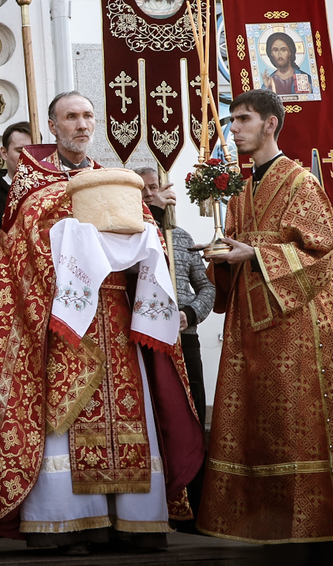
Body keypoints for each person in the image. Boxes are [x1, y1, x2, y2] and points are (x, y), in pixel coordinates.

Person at [0, 91, 202, 554]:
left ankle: (133, 520)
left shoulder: (115, 182)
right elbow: (17, 256)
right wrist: (69, 240)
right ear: (52, 126)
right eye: (71, 117)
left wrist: (146, 241)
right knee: (65, 420)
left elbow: (148, 240)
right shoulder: (32, 189)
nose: (81, 125)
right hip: (62, 323)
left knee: (129, 412)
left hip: (118, 318)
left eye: (87, 116)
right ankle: (68, 522)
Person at [199, 90, 333, 556]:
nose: (233, 128)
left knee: (301, 426)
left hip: (300, 330)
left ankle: (327, 539)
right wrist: (221, 257)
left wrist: (256, 254)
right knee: (262, 429)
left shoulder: (301, 182)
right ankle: (271, 533)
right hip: (250, 331)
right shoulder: (241, 190)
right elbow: (237, 251)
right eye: (231, 119)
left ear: (270, 124)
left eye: (243, 119)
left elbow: (324, 254)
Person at [135, 165, 214, 518]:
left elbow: (207, 286)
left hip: (186, 338)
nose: (151, 194)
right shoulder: (134, 236)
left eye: (154, 188)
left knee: (192, 416)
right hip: (149, 342)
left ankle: (196, 505)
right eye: (143, 191)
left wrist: (191, 314)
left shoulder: (180, 237)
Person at [0, 120, 31, 227]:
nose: (28, 156)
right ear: (4, 153)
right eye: (20, 151)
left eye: (32, 151)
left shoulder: (51, 189)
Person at [261, 31, 312, 95]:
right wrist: (266, 87)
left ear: (290, 52)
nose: (279, 54)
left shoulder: (305, 78)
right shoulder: (269, 82)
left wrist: (309, 94)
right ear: (271, 53)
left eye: (283, 50)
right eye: (275, 50)